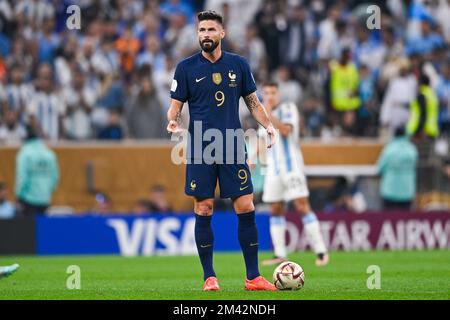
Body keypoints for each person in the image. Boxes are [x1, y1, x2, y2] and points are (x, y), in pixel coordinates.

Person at [166, 11, 277, 292]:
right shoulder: (185, 68)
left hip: (231, 145)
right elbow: (175, 106)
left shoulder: (238, 65)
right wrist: (172, 120)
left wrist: (269, 126)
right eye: (201, 30)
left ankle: (253, 277)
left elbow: (253, 102)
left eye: (210, 30)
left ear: (222, 34)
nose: (205, 34)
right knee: (204, 207)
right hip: (201, 146)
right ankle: (209, 277)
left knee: (246, 206)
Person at [258, 82, 329, 267]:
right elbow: (261, 140)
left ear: (278, 94)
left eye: (273, 92)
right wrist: (253, 160)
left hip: (292, 168)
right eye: (266, 93)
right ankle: (280, 254)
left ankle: (321, 251)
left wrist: (268, 114)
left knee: (301, 205)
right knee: (275, 209)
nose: (270, 96)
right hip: (273, 170)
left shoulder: (288, 108)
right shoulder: (261, 115)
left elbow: (286, 130)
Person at [15, 123, 59, 216]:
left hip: (28, 200)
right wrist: (47, 192)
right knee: (42, 229)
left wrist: (19, 196)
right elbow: (55, 177)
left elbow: (22, 178)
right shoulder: (49, 154)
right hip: (45, 199)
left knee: (28, 230)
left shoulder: (24, 154)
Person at [377, 127, 418, 210]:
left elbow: (380, 168)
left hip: (390, 191)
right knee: (404, 220)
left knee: (388, 219)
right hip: (407, 191)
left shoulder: (389, 149)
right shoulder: (412, 149)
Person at [407, 74, 439, 140]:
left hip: (422, 132)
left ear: (420, 83)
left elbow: (423, 114)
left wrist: (418, 130)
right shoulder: (432, 95)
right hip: (432, 130)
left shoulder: (422, 95)